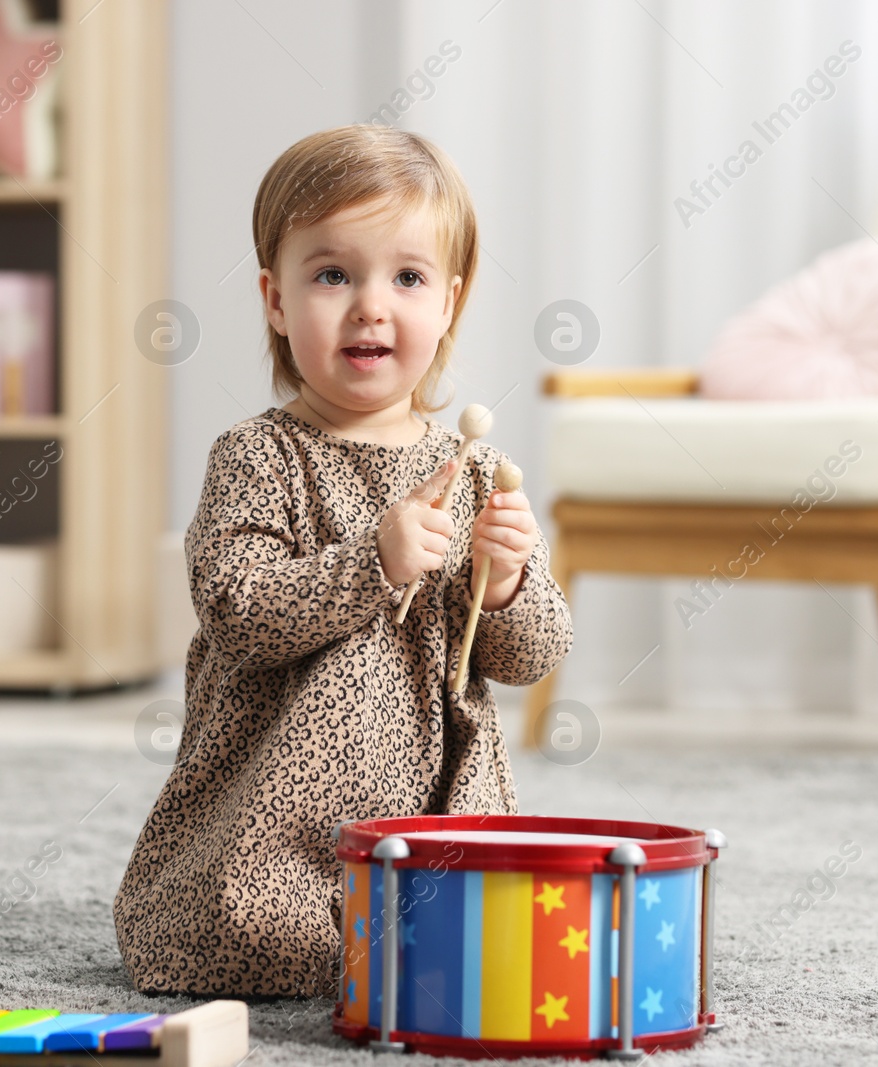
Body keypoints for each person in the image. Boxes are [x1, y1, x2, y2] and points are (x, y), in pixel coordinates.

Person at [113, 124, 574, 998]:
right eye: (332, 274)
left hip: (433, 807)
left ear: (448, 306)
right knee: (247, 930)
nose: (370, 305)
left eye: (407, 277)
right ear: (276, 302)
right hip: (273, 810)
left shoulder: (473, 469)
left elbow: (530, 656)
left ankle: (402, 944)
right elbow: (240, 610)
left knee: (482, 930)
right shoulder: (257, 457)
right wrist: (375, 560)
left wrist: (509, 582)